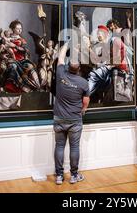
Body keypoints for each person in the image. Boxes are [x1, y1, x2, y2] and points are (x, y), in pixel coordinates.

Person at [53, 42, 90, 185]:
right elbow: (86, 101)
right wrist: (83, 110)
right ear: (79, 69)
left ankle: (59, 176)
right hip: (75, 120)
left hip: (59, 119)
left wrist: (67, 44)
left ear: (68, 68)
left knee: (59, 146)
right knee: (74, 147)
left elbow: (61, 57)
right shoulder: (83, 82)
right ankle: (74, 176)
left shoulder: (61, 74)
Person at [0, 20, 41, 93]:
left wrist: (15, 46)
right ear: (13, 29)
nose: (20, 30)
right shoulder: (6, 38)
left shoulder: (22, 40)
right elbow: (0, 50)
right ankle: (13, 89)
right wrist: (3, 55)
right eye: (18, 28)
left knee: (30, 66)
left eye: (21, 28)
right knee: (13, 66)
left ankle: (35, 86)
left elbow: (25, 50)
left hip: (22, 61)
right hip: (11, 60)